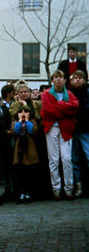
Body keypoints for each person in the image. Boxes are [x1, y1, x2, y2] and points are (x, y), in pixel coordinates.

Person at [41, 70, 79, 200]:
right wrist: (65, 110)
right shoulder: (46, 94)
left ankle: (68, 188)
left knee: (67, 159)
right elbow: (47, 110)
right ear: (52, 80)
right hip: (52, 128)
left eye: (61, 77)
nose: (58, 80)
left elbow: (75, 106)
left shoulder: (69, 94)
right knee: (54, 160)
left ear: (64, 80)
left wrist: (59, 105)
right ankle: (56, 189)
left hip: (66, 130)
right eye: (56, 77)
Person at [12, 106, 39, 203]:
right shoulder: (15, 122)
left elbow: (33, 130)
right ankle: (21, 193)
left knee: (29, 172)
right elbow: (15, 131)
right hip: (19, 149)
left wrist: (27, 121)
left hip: (29, 147)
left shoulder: (32, 121)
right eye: (21, 112)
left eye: (25, 112)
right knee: (20, 172)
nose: (23, 114)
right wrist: (19, 121)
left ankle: (29, 193)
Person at [70, 70, 89, 197]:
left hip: (86, 129)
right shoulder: (69, 94)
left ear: (84, 80)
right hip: (72, 130)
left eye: (80, 78)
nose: (77, 80)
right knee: (73, 159)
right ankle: (78, 185)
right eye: (75, 78)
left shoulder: (87, 93)